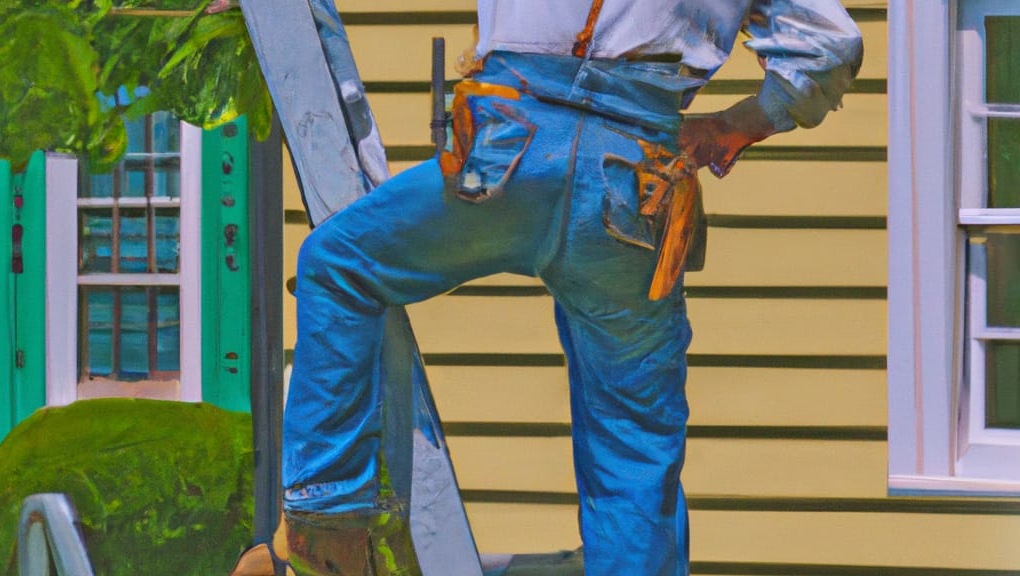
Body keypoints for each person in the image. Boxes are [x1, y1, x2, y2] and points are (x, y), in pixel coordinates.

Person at [281, 1, 863, 574]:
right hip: (635, 176)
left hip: (510, 146)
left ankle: (327, 524)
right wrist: (730, 125)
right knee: (631, 437)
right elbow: (828, 46)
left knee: (340, 266)